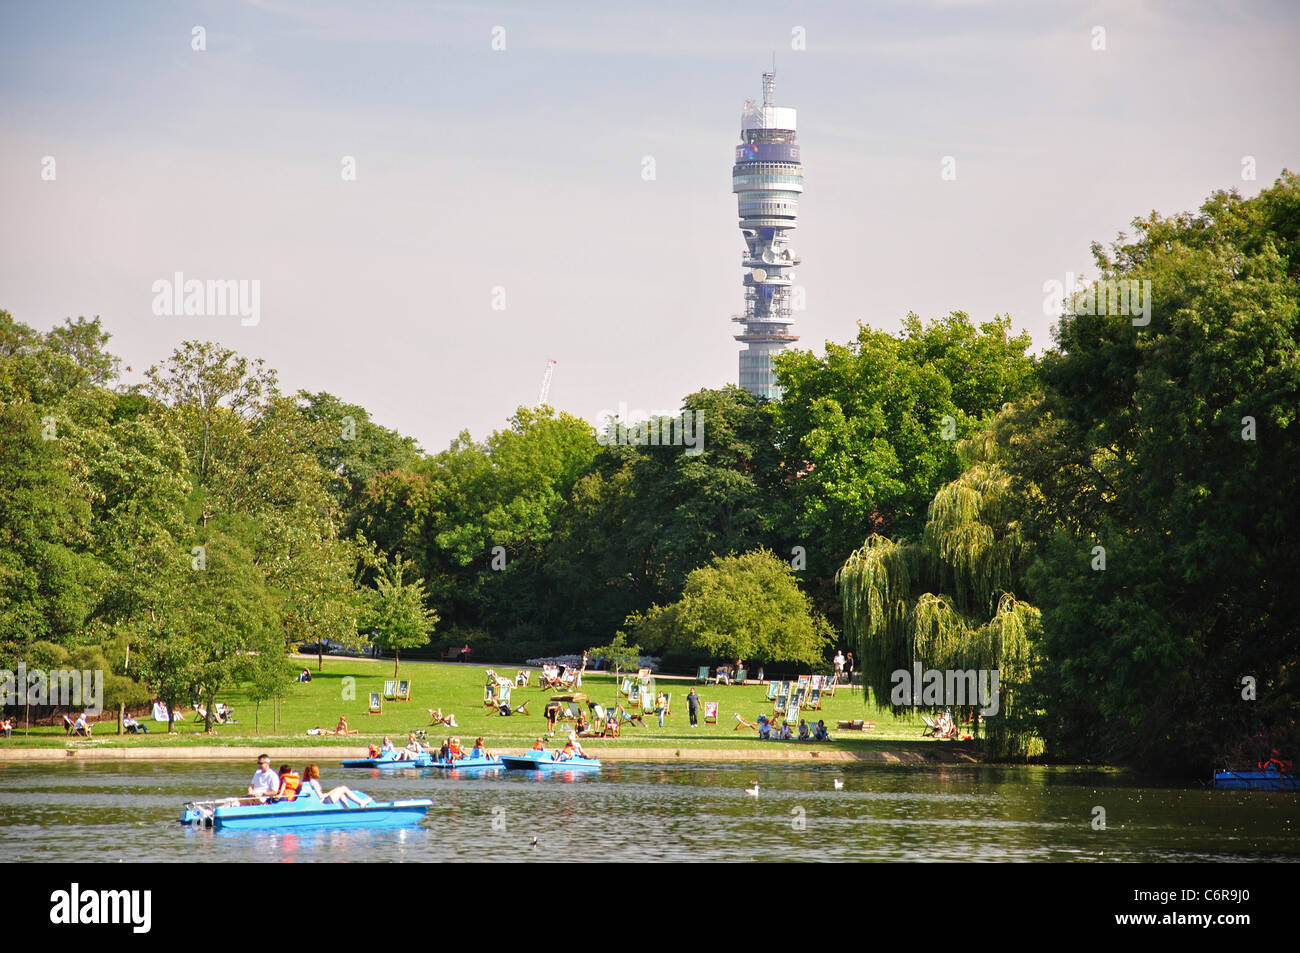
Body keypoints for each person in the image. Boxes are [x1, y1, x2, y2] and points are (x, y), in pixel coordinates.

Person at [300, 764, 370, 807]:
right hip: (324, 802)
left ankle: (347, 811)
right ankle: (361, 803)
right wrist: (328, 793)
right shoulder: (313, 782)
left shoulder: (307, 782)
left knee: (341, 792)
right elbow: (320, 797)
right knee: (343, 788)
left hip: (321, 800)